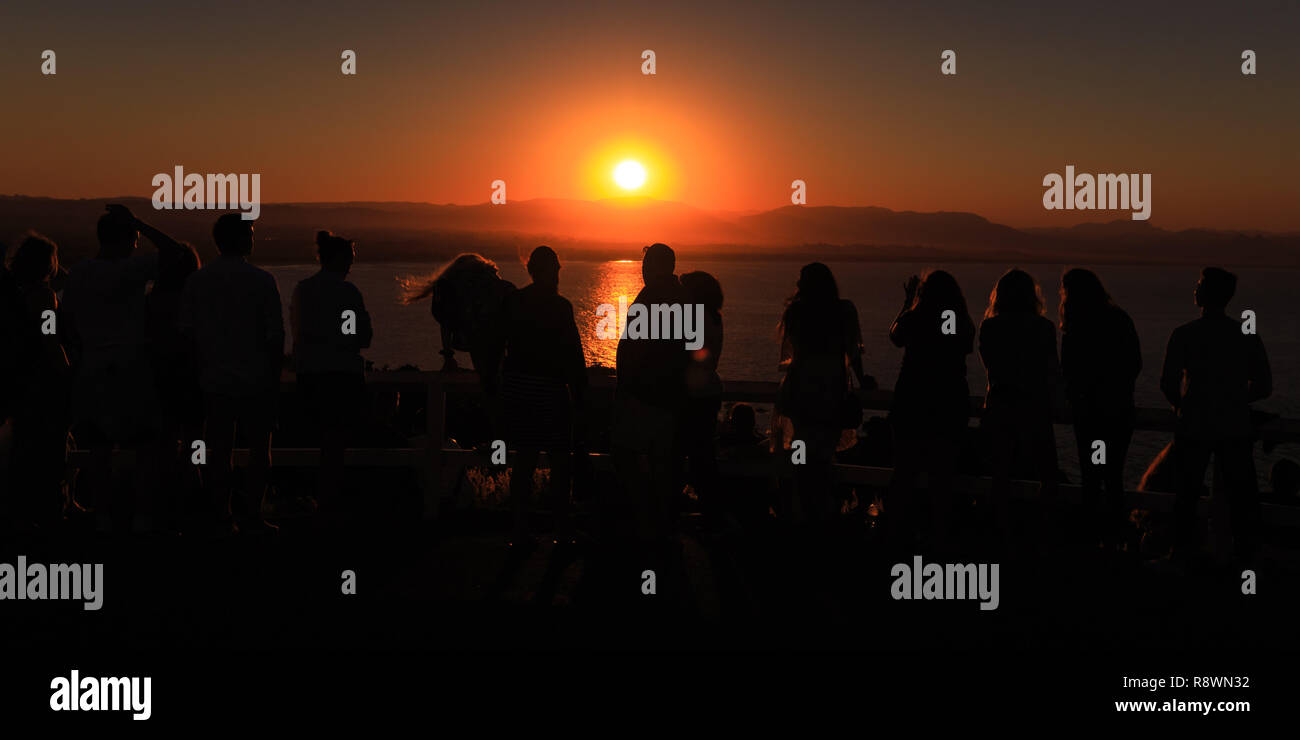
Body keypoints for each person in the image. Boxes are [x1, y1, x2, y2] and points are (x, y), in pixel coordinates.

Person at [62, 205, 183, 534]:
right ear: (128, 239)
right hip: (131, 367)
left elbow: (67, 322)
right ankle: (141, 517)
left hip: (92, 369)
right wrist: (141, 222)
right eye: (134, 239)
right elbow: (181, 255)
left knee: (98, 449)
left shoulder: (80, 273)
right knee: (144, 446)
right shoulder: (133, 269)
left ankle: (103, 517)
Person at [178, 214, 285, 537]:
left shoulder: (198, 281)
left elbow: (186, 335)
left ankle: (221, 515)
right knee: (258, 451)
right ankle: (252, 514)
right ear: (239, 239)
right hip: (256, 381)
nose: (253, 238)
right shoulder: (263, 281)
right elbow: (275, 337)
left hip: (213, 380)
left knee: (219, 452)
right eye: (250, 233)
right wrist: (274, 379)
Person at [1159, 267, 1270, 564]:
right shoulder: (1246, 337)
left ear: (1206, 294)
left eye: (1199, 284)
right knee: (1242, 497)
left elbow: (1168, 383)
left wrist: (1182, 405)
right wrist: (1235, 399)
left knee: (1186, 495)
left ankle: (1180, 556)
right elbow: (1264, 385)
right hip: (1234, 427)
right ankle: (1245, 560)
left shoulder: (1184, 335)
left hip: (1193, 426)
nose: (1195, 289)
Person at [497, 246, 587, 548]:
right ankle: (562, 531)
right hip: (550, 390)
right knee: (561, 463)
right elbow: (573, 355)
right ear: (551, 271)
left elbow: (500, 345)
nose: (559, 273)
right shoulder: (560, 307)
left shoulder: (515, 303)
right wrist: (580, 394)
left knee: (524, 462)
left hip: (518, 389)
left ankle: (519, 532)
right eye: (557, 268)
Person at [775, 262, 874, 527]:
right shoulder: (844, 310)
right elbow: (852, 351)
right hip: (830, 391)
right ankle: (823, 515)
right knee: (823, 454)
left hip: (800, 391)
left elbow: (792, 352)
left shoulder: (796, 312)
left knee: (801, 451)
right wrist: (863, 379)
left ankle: (804, 514)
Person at [887, 270, 975, 550]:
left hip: (912, 403)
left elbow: (896, 336)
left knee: (904, 473)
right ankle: (939, 539)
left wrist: (907, 303)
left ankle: (899, 537)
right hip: (948, 404)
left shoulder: (915, 319)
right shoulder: (958, 321)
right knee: (943, 477)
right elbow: (963, 343)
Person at [290, 231, 372, 521]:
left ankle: (311, 500)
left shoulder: (303, 289)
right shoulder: (347, 292)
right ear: (339, 259)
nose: (352, 264)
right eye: (350, 258)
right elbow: (360, 336)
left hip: (310, 375)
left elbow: (299, 333)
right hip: (341, 378)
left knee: (313, 440)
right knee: (337, 443)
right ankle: (331, 503)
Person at [1059, 268, 1141, 547]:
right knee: (1114, 475)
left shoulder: (1075, 326)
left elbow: (1066, 371)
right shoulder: (1119, 319)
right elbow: (1134, 364)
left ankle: (1091, 539)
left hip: (1090, 416)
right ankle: (1115, 538)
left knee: (1091, 477)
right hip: (1118, 414)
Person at [614, 244, 689, 549]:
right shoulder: (685, 298)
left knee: (628, 457)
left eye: (645, 263)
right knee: (665, 466)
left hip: (644, 396)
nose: (642, 270)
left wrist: (626, 386)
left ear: (658, 266)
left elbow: (631, 346)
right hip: (672, 398)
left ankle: (645, 526)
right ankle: (664, 529)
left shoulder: (649, 298)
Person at [978, 268, 1061, 541]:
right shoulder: (1044, 328)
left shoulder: (989, 327)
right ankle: (1043, 532)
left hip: (1000, 406)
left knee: (1000, 475)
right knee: (1047, 475)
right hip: (1035, 407)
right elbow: (1052, 371)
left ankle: (1001, 533)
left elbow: (990, 365)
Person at [3, 233, 71, 532]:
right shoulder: (44, 298)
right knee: (51, 450)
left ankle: (19, 511)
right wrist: (66, 371)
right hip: (43, 383)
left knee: (23, 448)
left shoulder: (11, 294)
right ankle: (51, 512)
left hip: (17, 380)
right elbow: (50, 338)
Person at [147, 237, 203, 530]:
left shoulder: (154, 300)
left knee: (165, 440)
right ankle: (191, 487)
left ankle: (165, 500)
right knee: (195, 439)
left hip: (161, 375)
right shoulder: (195, 300)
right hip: (191, 375)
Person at [402, 253, 514, 393]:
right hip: (495, 343)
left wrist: (448, 356)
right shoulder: (499, 288)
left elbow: (446, 323)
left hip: (481, 339)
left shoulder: (454, 290)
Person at [679, 270, 726, 529]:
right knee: (703, 455)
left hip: (694, 396)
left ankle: (709, 514)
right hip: (709, 392)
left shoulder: (694, 319)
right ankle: (712, 514)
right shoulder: (715, 318)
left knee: (690, 457)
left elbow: (687, 355)